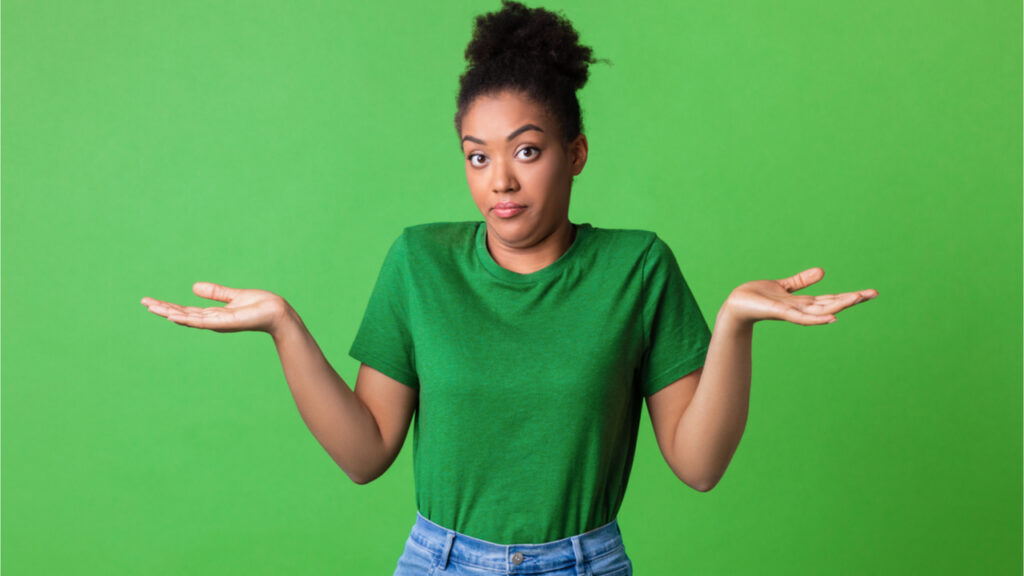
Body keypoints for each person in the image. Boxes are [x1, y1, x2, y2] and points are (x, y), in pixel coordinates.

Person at [140, 1, 878, 574]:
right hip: (439, 561)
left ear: (574, 152)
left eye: (526, 151)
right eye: (477, 156)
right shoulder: (419, 262)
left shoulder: (637, 268)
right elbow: (366, 454)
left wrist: (734, 326)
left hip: (584, 562)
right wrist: (284, 327)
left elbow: (700, 465)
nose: (500, 180)